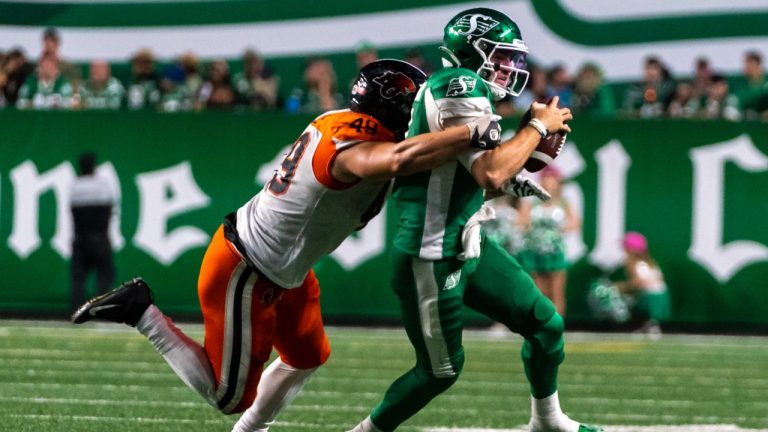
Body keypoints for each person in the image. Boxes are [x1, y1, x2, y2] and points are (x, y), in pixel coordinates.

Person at [71, 59, 504, 432]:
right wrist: (471, 131)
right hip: (247, 267)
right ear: (391, 110)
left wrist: (516, 158)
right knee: (228, 396)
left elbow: (434, 169)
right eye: (412, 109)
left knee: (307, 355)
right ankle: (140, 310)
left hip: (287, 269)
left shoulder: (365, 132)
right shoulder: (355, 141)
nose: (418, 118)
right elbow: (397, 161)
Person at [348, 8, 601, 432]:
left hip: (467, 239)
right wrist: (536, 129)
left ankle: (549, 421)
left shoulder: (471, 93)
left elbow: (477, 179)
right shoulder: (457, 84)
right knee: (439, 372)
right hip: (432, 250)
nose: (510, 67)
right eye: (501, 57)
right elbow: (492, 172)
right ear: (473, 52)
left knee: (545, 324)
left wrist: (528, 156)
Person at [517, 165, 580, 317]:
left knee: (556, 292)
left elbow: (575, 223)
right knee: (539, 291)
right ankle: (540, 324)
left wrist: (559, 228)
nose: (548, 183)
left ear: (558, 183)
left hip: (555, 251)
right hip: (535, 251)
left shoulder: (563, 202)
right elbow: (521, 221)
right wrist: (531, 227)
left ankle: (557, 327)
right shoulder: (531, 202)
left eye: (552, 180)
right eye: (545, 179)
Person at [69, 152, 117, 314]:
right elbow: (109, 209)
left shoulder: (75, 186)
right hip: (99, 237)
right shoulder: (102, 185)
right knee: (104, 276)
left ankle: (77, 311)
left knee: (78, 279)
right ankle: (101, 310)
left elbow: (73, 212)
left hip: (81, 237)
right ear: (94, 166)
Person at [614, 232, 670, 339]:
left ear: (631, 249)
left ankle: (649, 325)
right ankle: (649, 324)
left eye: (625, 246)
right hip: (662, 296)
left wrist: (619, 287)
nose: (623, 249)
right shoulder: (650, 262)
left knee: (626, 299)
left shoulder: (632, 263)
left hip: (650, 298)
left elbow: (637, 282)